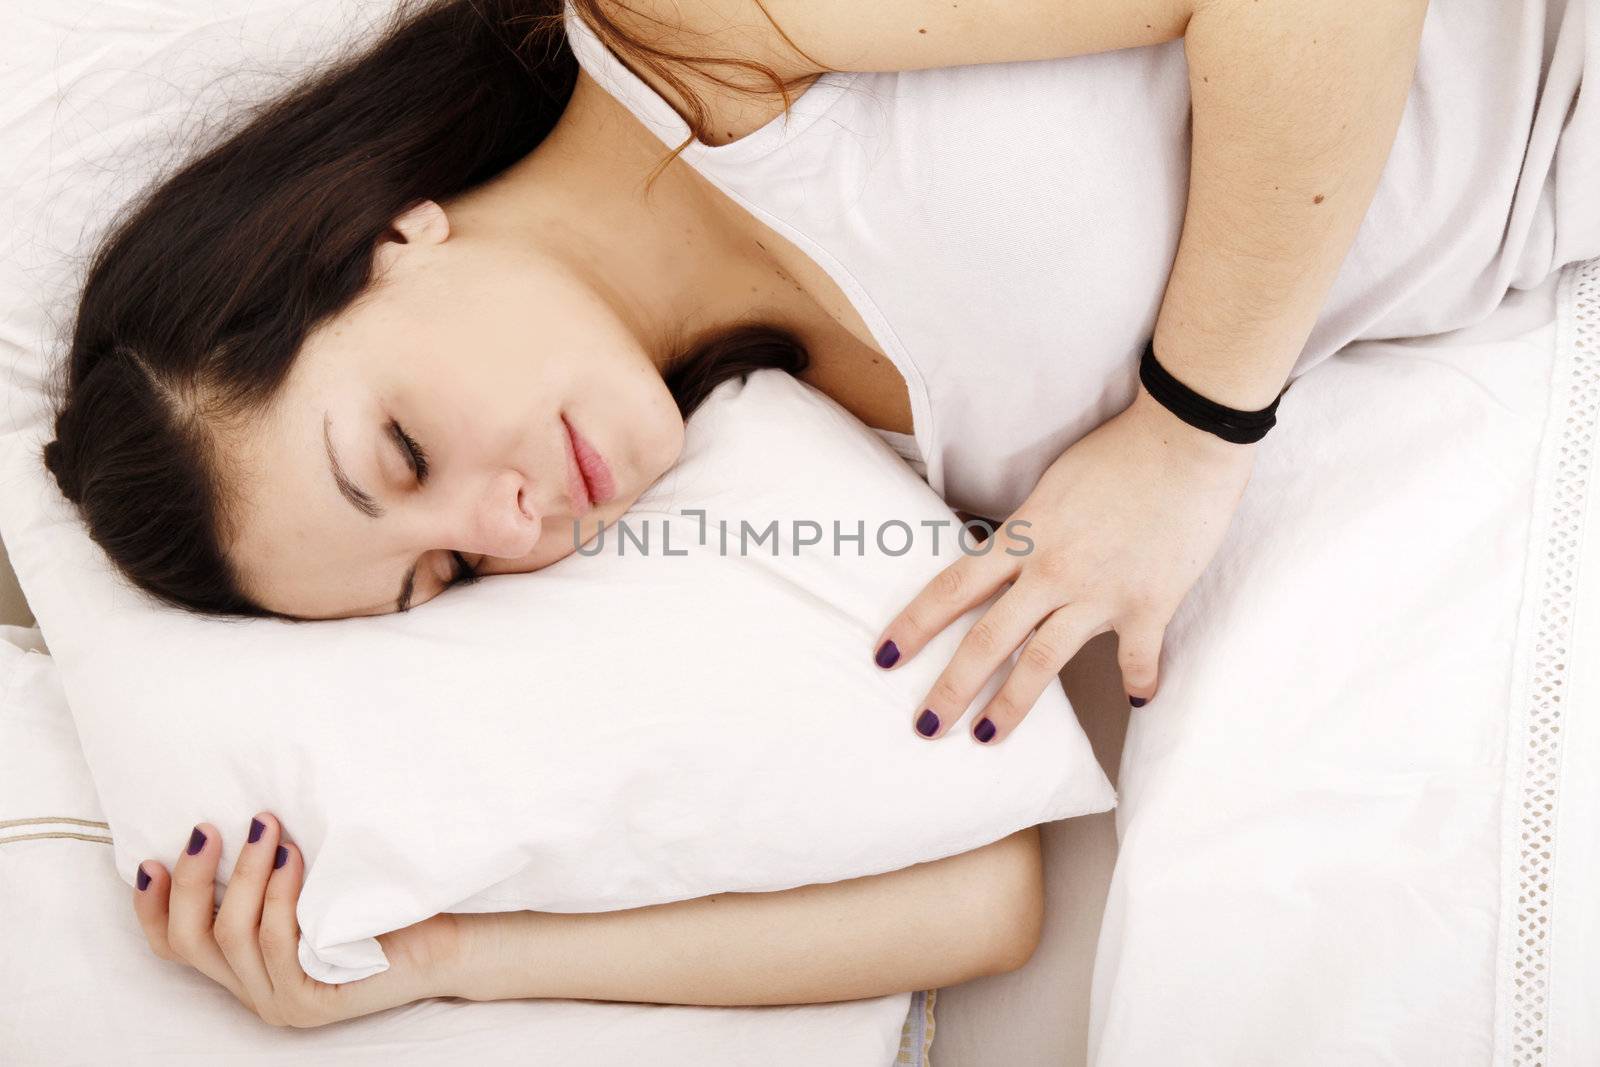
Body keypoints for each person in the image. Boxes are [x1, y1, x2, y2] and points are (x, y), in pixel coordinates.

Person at [41, 0, 1595, 1027]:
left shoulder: (702, 37)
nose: (509, 527)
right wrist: (439, 963)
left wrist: (1188, 434)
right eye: (438, 575)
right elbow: (975, 898)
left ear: (376, 237)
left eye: (395, 451)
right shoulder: (756, 446)